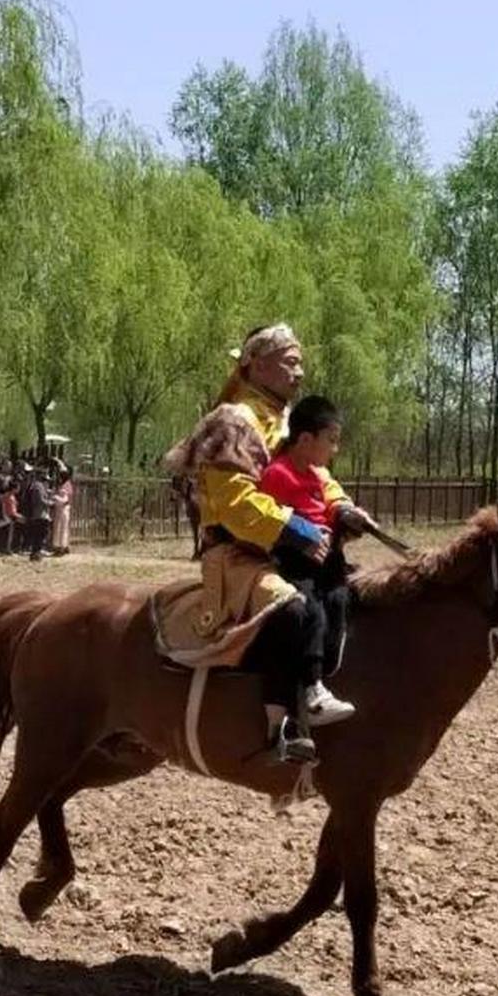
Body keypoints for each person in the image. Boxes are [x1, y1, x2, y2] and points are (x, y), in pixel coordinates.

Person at [155, 323, 374, 766]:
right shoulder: (233, 421)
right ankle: (284, 726)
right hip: (237, 553)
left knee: (341, 594)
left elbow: (317, 478)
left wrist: (342, 508)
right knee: (291, 608)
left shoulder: (290, 422)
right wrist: (296, 527)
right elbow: (236, 503)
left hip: (280, 547)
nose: (299, 372)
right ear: (255, 363)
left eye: (300, 363)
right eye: (290, 362)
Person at [256, 395, 360, 728]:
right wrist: (303, 535)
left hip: (325, 558)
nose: (335, 448)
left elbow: (328, 506)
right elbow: (273, 521)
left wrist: (344, 522)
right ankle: (312, 688)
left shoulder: (318, 475)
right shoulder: (278, 474)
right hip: (294, 559)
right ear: (305, 439)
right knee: (310, 609)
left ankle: (325, 670)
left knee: (340, 598)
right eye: (331, 440)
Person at [21, 465, 51, 561]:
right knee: (40, 534)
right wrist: (50, 503)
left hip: (39, 514)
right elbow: (40, 500)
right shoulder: (38, 486)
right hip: (39, 514)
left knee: (39, 534)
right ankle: (35, 554)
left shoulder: (38, 486)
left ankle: (36, 553)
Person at [49, 464, 74, 555]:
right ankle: (62, 546)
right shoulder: (65, 485)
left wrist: (55, 498)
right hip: (61, 509)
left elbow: (65, 500)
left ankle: (61, 548)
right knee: (61, 527)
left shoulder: (66, 486)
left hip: (63, 509)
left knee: (61, 528)